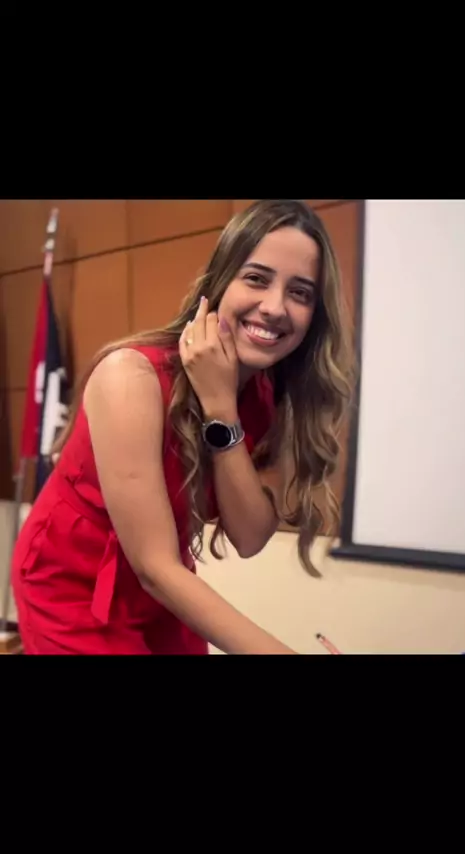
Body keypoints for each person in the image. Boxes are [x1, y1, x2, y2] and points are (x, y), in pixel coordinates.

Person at [12, 199, 353, 655]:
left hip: (163, 579)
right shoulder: (129, 377)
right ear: (220, 282)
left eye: (300, 293)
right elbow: (154, 567)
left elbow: (249, 536)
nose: (275, 307)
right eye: (256, 278)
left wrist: (220, 408)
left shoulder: (267, 395)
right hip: (72, 586)